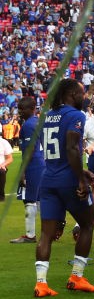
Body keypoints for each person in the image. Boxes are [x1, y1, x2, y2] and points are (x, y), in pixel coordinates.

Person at [34, 79, 94, 297]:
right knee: (88, 223)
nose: (85, 96)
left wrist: (82, 171)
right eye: (82, 92)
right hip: (68, 180)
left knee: (46, 234)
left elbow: (63, 151)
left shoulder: (47, 116)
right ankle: (77, 277)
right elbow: (71, 147)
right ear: (71, 93)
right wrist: (81, 178)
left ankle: (41, 284)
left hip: (48, 178)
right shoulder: (75, 115)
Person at [11, 97, 44, 243]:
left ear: (31, 109)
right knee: (39, 199)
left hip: (33, 166)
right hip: (41, 163)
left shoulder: (28, 125)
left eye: (22, 109)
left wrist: (23, 171)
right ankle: (50, 230)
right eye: (18, 108)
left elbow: (29, 150)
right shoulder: (37, 121)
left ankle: (30, 235)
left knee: (29, 200)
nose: (19, 112)